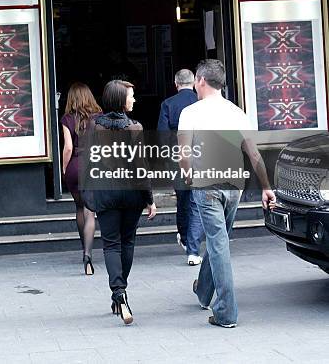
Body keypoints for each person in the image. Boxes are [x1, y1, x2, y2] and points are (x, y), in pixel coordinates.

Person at [178, 59, 276, 328]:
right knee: (217, 240)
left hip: (207, 185)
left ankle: (226, 312)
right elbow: (253, 154)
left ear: (199, 80)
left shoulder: (191, 112)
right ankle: (202, 291)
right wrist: (266, 187)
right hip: (234, 186)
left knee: (218, 244)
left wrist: (188, 175)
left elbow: (184, 154)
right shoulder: (237, 112)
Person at [92, 80, 156, 325]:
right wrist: (150, 198)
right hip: (131, 193)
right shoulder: (135, 128)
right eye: (131, 96)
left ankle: (118, 293)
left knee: (110, 245)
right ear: (120, 100)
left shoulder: (93, 126)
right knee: (127, 241)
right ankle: (120, 291)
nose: (134, 100)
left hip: (105, 191)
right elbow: (141, 166)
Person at [157, 68, 204, 265]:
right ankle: (194, 242)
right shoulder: (201, 102)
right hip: (201, 155)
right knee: (198, 198)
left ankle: (184, 236)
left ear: (176, 84)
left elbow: (162, 134)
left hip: (177, 156)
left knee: (183, 197)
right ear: (194, 83)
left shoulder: (168, 104)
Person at [61, 82, 101, 275]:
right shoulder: (99, 117)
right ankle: (88, 255)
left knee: (78, 207)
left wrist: (63, 167)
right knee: (90, 211)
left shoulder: (67, 118)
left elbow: (68, 147)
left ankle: (83, 247)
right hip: (92, 165)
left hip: (75, 165)